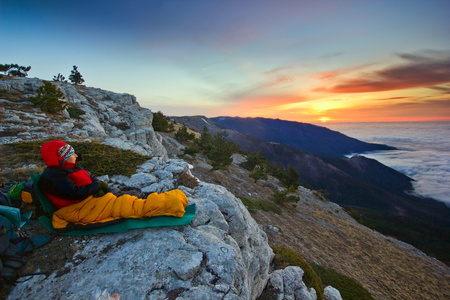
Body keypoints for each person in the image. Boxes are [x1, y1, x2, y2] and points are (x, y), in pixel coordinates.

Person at [38, 140, 188, 231]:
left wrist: (99, 186)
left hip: (93, 199)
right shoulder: (53, 176)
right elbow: (75, 193)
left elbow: (88, 179)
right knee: (127, 206)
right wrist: (96, 186)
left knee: (124, 195)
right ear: (61, 159)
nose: (76, 155)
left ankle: (150, 198)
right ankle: (171, 203)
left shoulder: (70, 168)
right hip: (81, 207)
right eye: (71, 154)